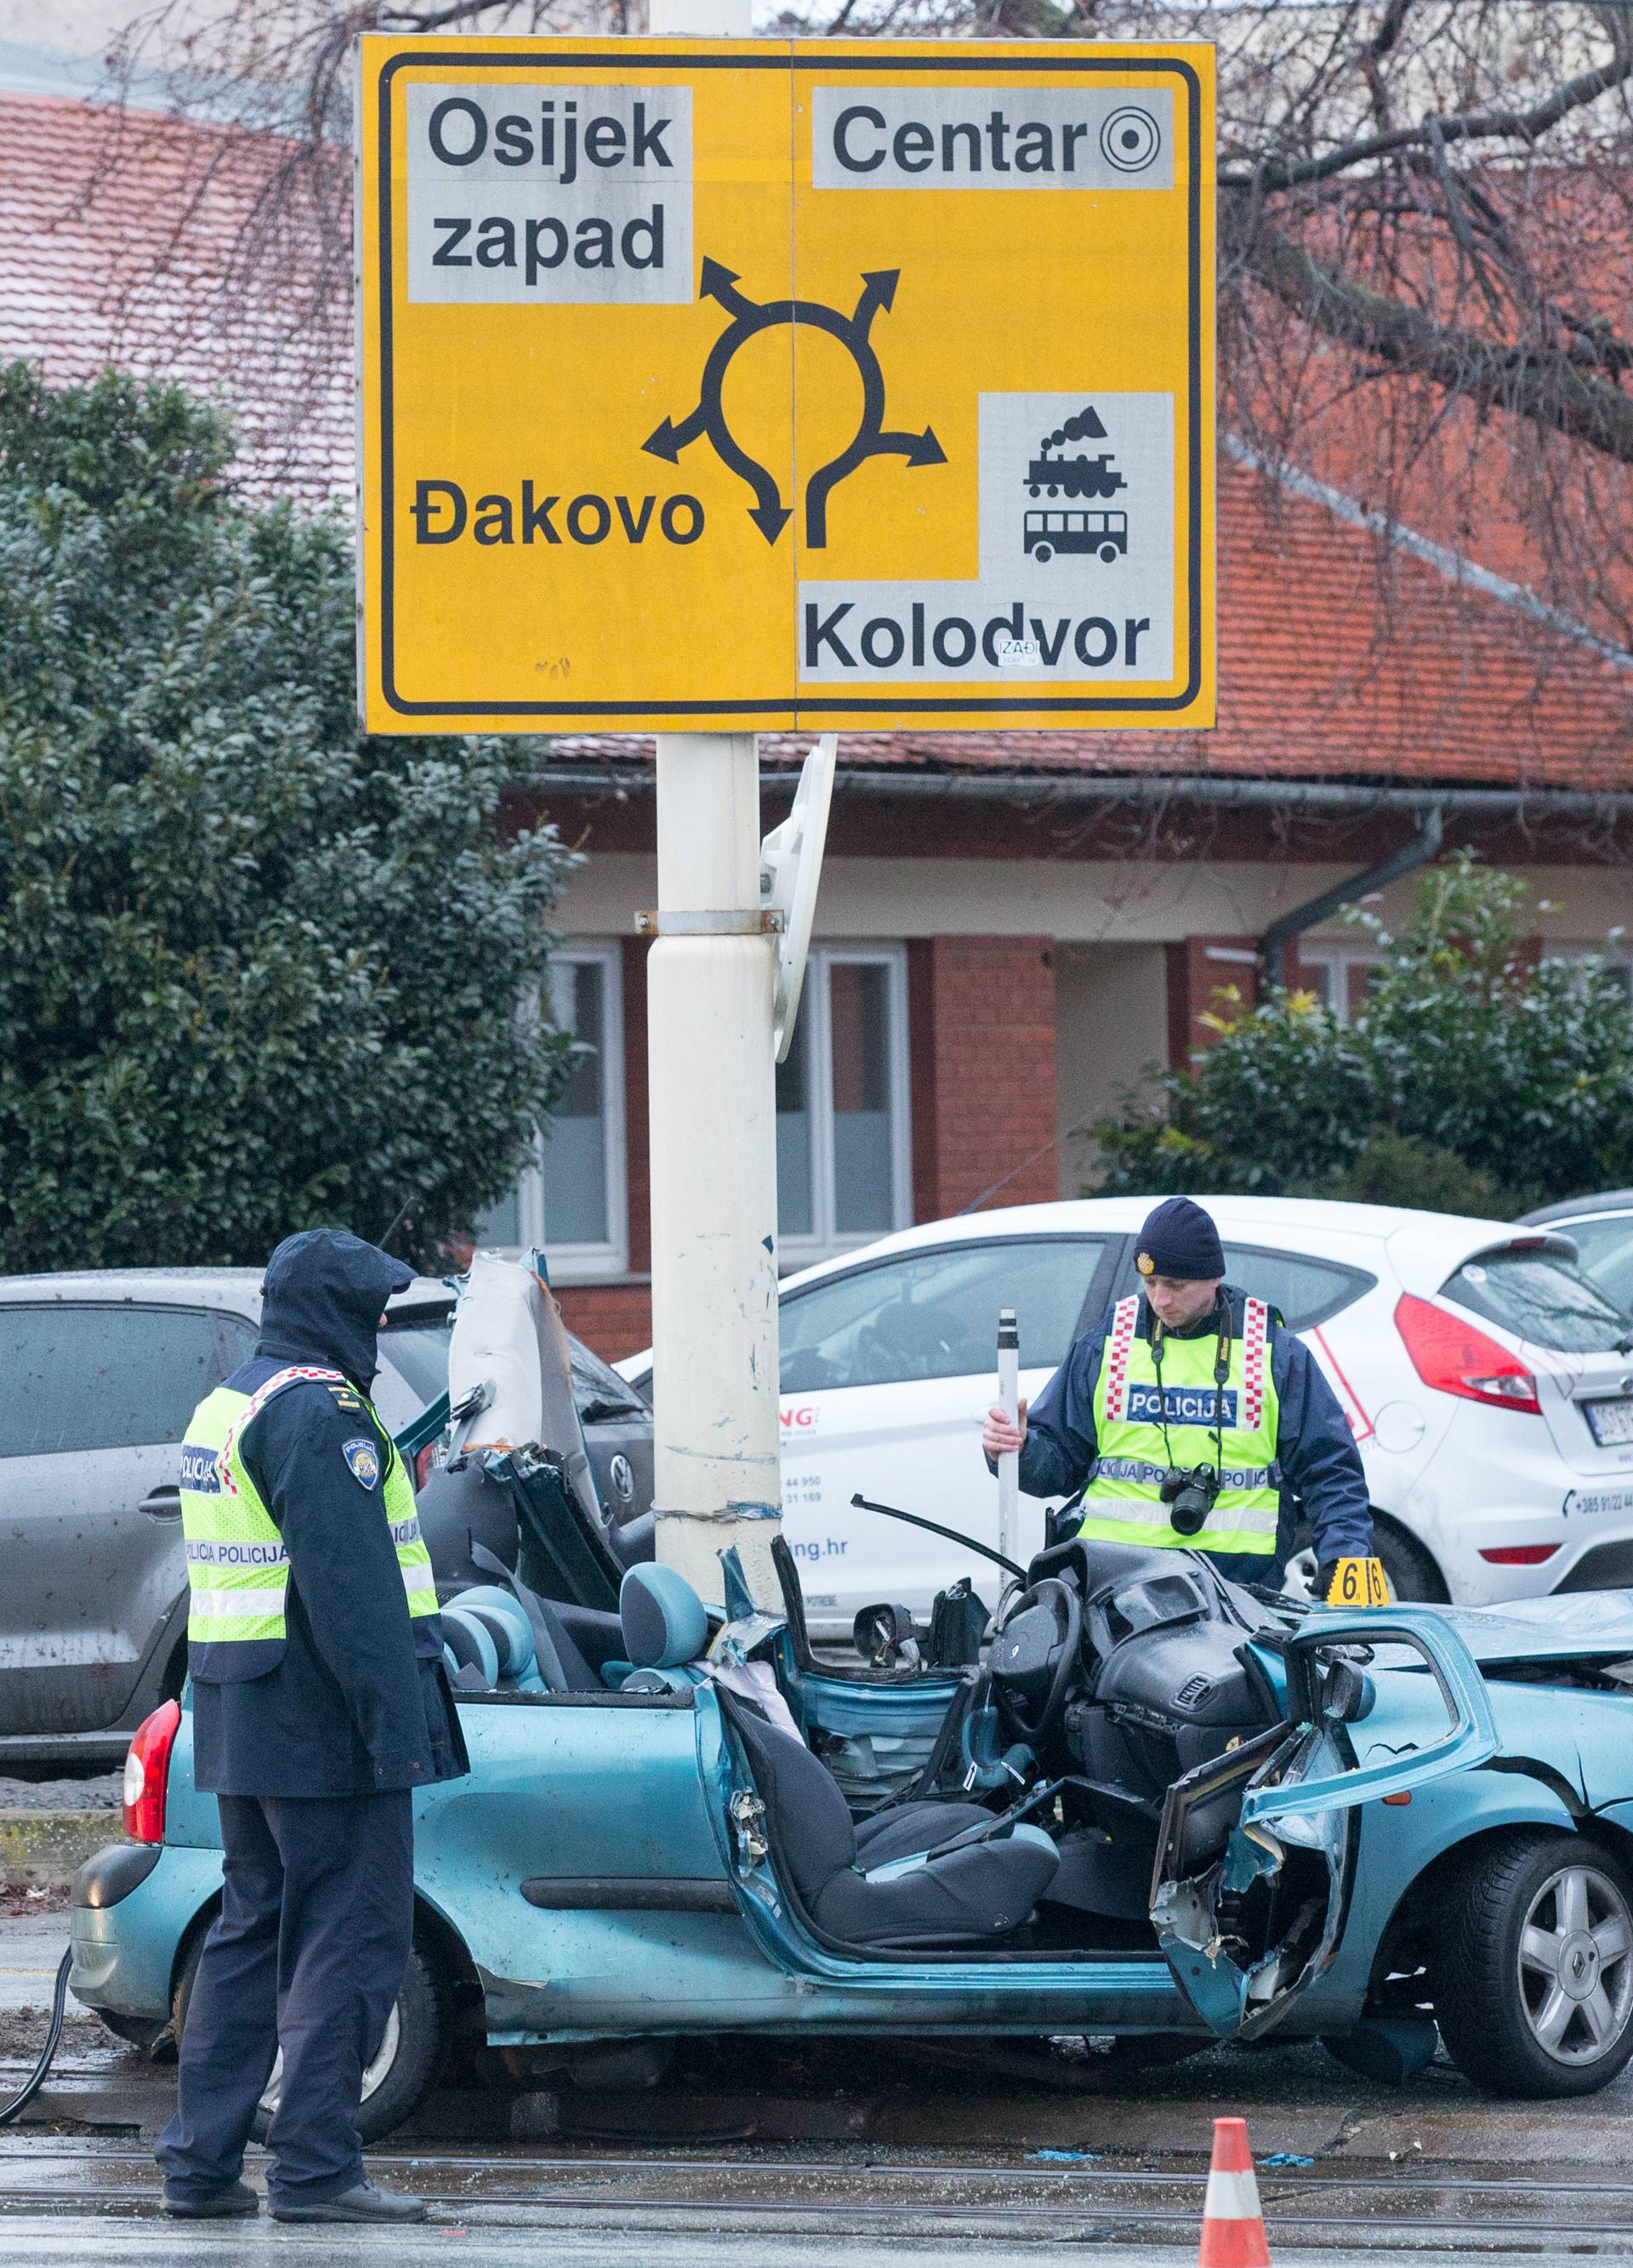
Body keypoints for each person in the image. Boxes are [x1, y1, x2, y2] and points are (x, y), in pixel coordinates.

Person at [156, 1228, 468, 2225]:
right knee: (350, 1936)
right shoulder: (316, 1411)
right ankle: (317, 2167)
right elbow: (355, 1595)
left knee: (252, 1932)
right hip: (326, 1721)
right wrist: (398, 1733)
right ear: (336, 1311)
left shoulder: (232, 1400)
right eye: (372, 1312)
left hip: (244, 1712)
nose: (379, 1330)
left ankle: (201, 2164)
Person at [982, 1197, 1372, 1594]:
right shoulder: (1110, 1342)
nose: (1160, 1299)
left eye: (1175, 1285)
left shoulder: (1272, 1351)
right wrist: (1017, 1449)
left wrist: (1346, 1568)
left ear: (1213, 1278)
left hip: (1238, 1594)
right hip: (1113, 1592)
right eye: (1150, 1283)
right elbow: (1059, 1464)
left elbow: (1332, 1473)